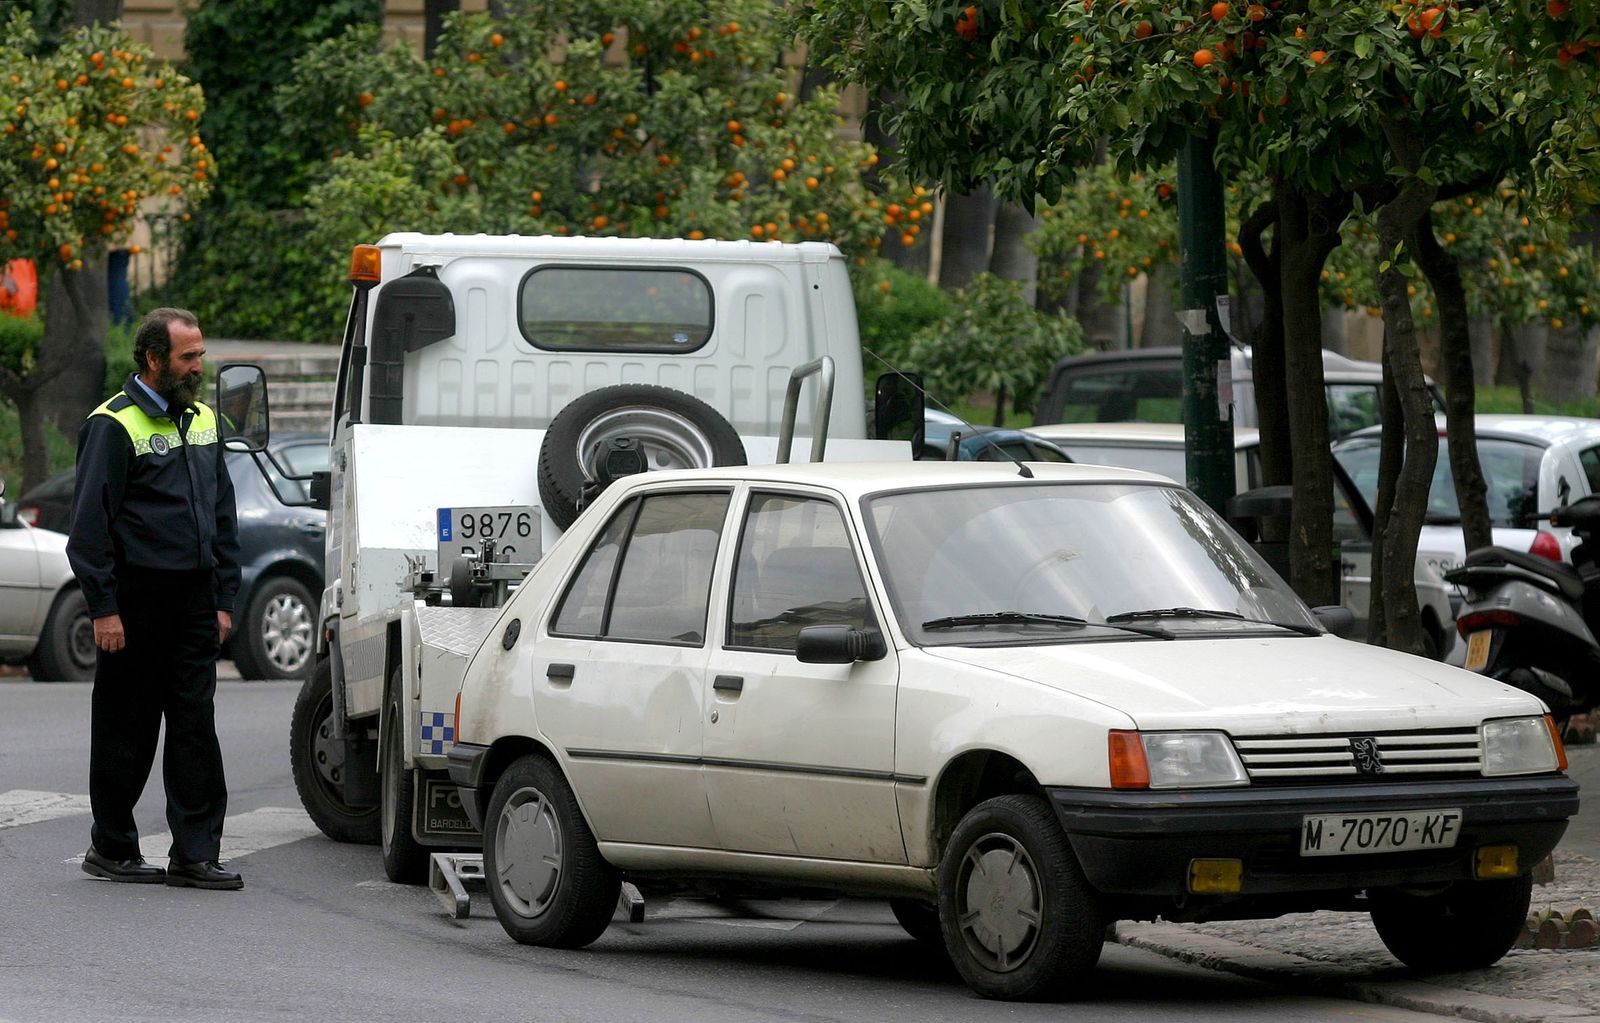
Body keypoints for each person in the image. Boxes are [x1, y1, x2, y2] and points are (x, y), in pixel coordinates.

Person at [66, 307, 244, 891]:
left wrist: (223, 597)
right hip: (134, 602)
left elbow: (223, 515)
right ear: (153, 359)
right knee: (126, 730)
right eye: (188, 357)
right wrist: (104, 608)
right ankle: (112, 847)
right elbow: (89, 528)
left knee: (195, 728)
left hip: (193, 602)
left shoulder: (204, 420)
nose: (198, 366)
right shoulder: (113, 425)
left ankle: (195, 854)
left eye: (200, 355)